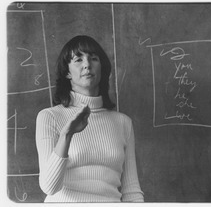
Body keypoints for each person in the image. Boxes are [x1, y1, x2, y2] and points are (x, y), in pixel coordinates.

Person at [35, 35, 144, 202]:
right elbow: (49, 187)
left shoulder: (123, 123)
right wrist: (67, 134)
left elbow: (132, 191)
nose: (87, 64)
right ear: (67, 73)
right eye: (78, 59)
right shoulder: (49, 117)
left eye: (93, 58)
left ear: (102, 68)